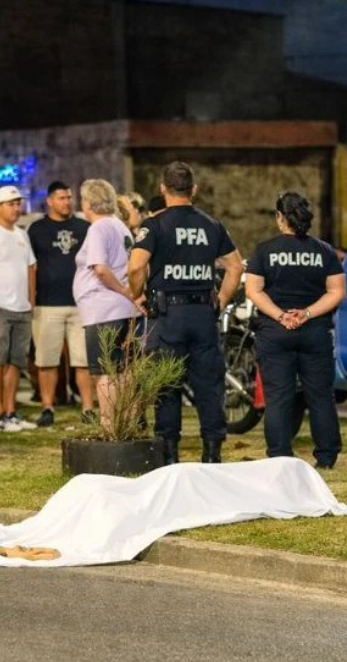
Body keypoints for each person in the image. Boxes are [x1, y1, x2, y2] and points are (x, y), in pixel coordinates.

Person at [128, 161, 243, 464]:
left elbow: (136, 265)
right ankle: (212, 452)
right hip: (203, 314)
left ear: (162, 189)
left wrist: (138, 294)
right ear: (194, 189)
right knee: (209, 385)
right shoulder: (211, 224)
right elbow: (235, 266)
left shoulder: (154, 225)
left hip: (168, 317)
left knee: (166, 385)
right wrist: (220, 299)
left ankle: (169, 455)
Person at [245, 192, 346, 469]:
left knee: (278, 397)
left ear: (281, 218)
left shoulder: (265, 250)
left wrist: (280, 315)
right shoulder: (324, 251)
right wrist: (307, 313)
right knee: (321, 397)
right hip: (315, 332)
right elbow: (336, 291)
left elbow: (253, 290)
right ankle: (326, 457)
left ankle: (279, 457)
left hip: (275, 333)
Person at [73, 179, 139, 429]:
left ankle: (110, 425)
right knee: (125, 371)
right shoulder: (120, 225)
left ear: (88, 203)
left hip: (104, 310)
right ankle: (128, 423)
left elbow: (100, 268)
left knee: (107, 372)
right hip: (122, 309)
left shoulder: (99, 228)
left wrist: (122, 290)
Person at [28, 181, 93, 427]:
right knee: (46, 360)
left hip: (80, 304)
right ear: (50, 201)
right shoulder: (37, 229)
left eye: (69, 198)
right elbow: (30, 266)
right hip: (47, 304)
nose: (67, 202)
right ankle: (47, 407)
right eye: (62, 198)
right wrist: (31, 298)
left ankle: (88, 407)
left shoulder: (84, 227)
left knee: (83, 360)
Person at [0, 185, 37, 432]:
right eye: (11, 203)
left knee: (16, 362)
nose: (17, 208)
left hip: (21, 308)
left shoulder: (21, 234)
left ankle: (10, 411)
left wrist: (31, 301)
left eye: (18, 203)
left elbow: (31, 268)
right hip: (0, 308)